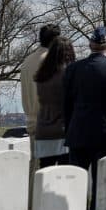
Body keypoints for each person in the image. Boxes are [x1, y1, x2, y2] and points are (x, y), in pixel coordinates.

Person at [63, 25, 106, 210]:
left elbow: (66, 103)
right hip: (105, 132)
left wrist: (69, 127)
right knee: (101, 181)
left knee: (77, 178)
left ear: (91, 44)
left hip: (78, 131)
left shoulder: (73, 69)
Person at [33, 35, 75, 168]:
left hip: (43, 129)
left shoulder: (42, 75)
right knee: (64, 175)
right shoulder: (67, 75)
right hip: (62, 130)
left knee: (45, 172)